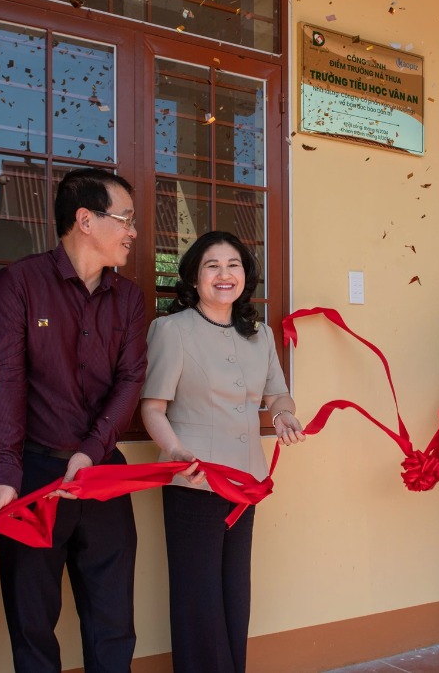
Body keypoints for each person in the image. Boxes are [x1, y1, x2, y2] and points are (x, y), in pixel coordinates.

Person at [0, 167, 146, 673]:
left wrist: (92, 450)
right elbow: (5, 379)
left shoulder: (130, 297)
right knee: (32, 623)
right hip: (34, 477)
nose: (134, 232)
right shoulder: (20, 283)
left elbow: (131, 380)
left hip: (102, 475)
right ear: (85, 220)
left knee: (113, 617)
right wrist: (7, 471)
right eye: (126, 219)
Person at [140, 231, 305, 673]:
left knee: (235, 591)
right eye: (212, 265)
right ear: (195, 278)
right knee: (198, 597)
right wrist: (174, 450)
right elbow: (152, 408)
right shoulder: (171, 330)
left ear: (245, 276)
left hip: (245, 482)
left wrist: (285, 415)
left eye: (232, 264)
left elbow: (278, 393)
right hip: (193, 480)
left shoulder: (261, 334)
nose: (223, 274)